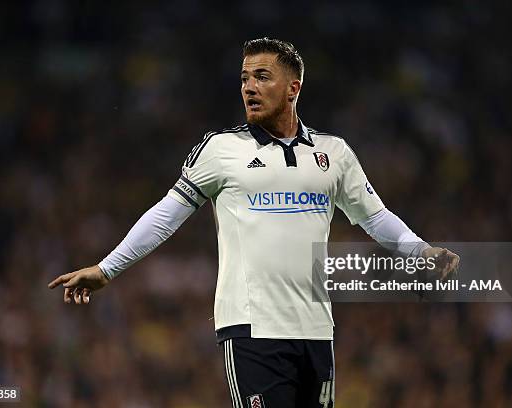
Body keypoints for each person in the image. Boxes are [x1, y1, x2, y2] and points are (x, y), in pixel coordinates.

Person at [48, 38, 460, 407]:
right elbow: (165, 215)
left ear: (293, 88)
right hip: (251, 328)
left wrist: (421, 251)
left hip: (317, 330)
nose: (249, 86)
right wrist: (106, 269)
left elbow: (375, 217)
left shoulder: (334, 153)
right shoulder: (221, 149)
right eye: (245, 78)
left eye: (262, 77)